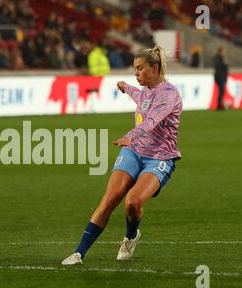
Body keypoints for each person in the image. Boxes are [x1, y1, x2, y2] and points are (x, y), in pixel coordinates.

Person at [62, 45, 182, 265]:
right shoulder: (145, 91)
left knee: (132, 203)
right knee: (109, 200)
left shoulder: (169, 95)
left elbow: (152, 121)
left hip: (159, 157)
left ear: (154, 68)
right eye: (134, 69)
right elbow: (140, 97)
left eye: (140, 69)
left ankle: (130, 236)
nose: (135, 73)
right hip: (134, 151)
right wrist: (126, 87)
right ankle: (79, 253)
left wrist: (130, 135)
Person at [213, 47, 228, 111]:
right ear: (221, 51)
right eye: (224, 51)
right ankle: (219, 105)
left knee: (222, 91)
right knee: (221, 91)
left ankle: (220, 104)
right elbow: (218, 66)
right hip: (219, 76)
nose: (225, 52)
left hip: (222, 76)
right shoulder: (217, 58)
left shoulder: (221, 58)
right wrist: (224, 64)